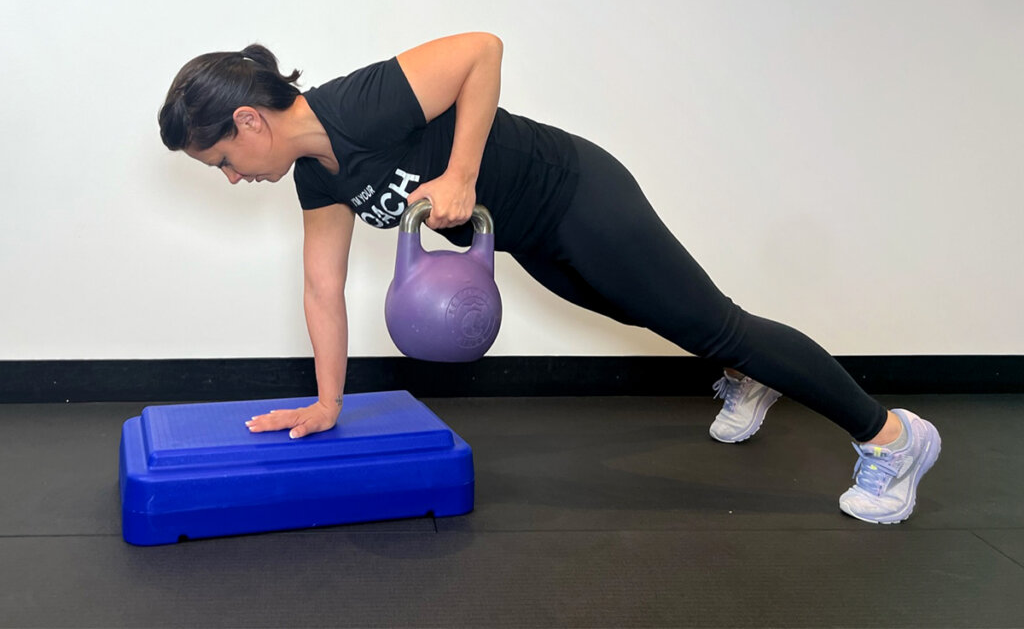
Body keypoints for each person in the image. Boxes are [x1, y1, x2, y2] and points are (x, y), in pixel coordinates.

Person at [158, 32, 941, 524]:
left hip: (576, 193)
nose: (230, 178)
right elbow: (321, 288)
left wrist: (461, 172)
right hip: (529, 238)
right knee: (659, 316)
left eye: (221, 161)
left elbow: (481, 50)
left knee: (715, 322)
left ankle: (893, 436)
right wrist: (329, 403)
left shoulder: (357, 104)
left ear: (249, 123)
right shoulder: (318, 177)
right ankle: (747, 376)